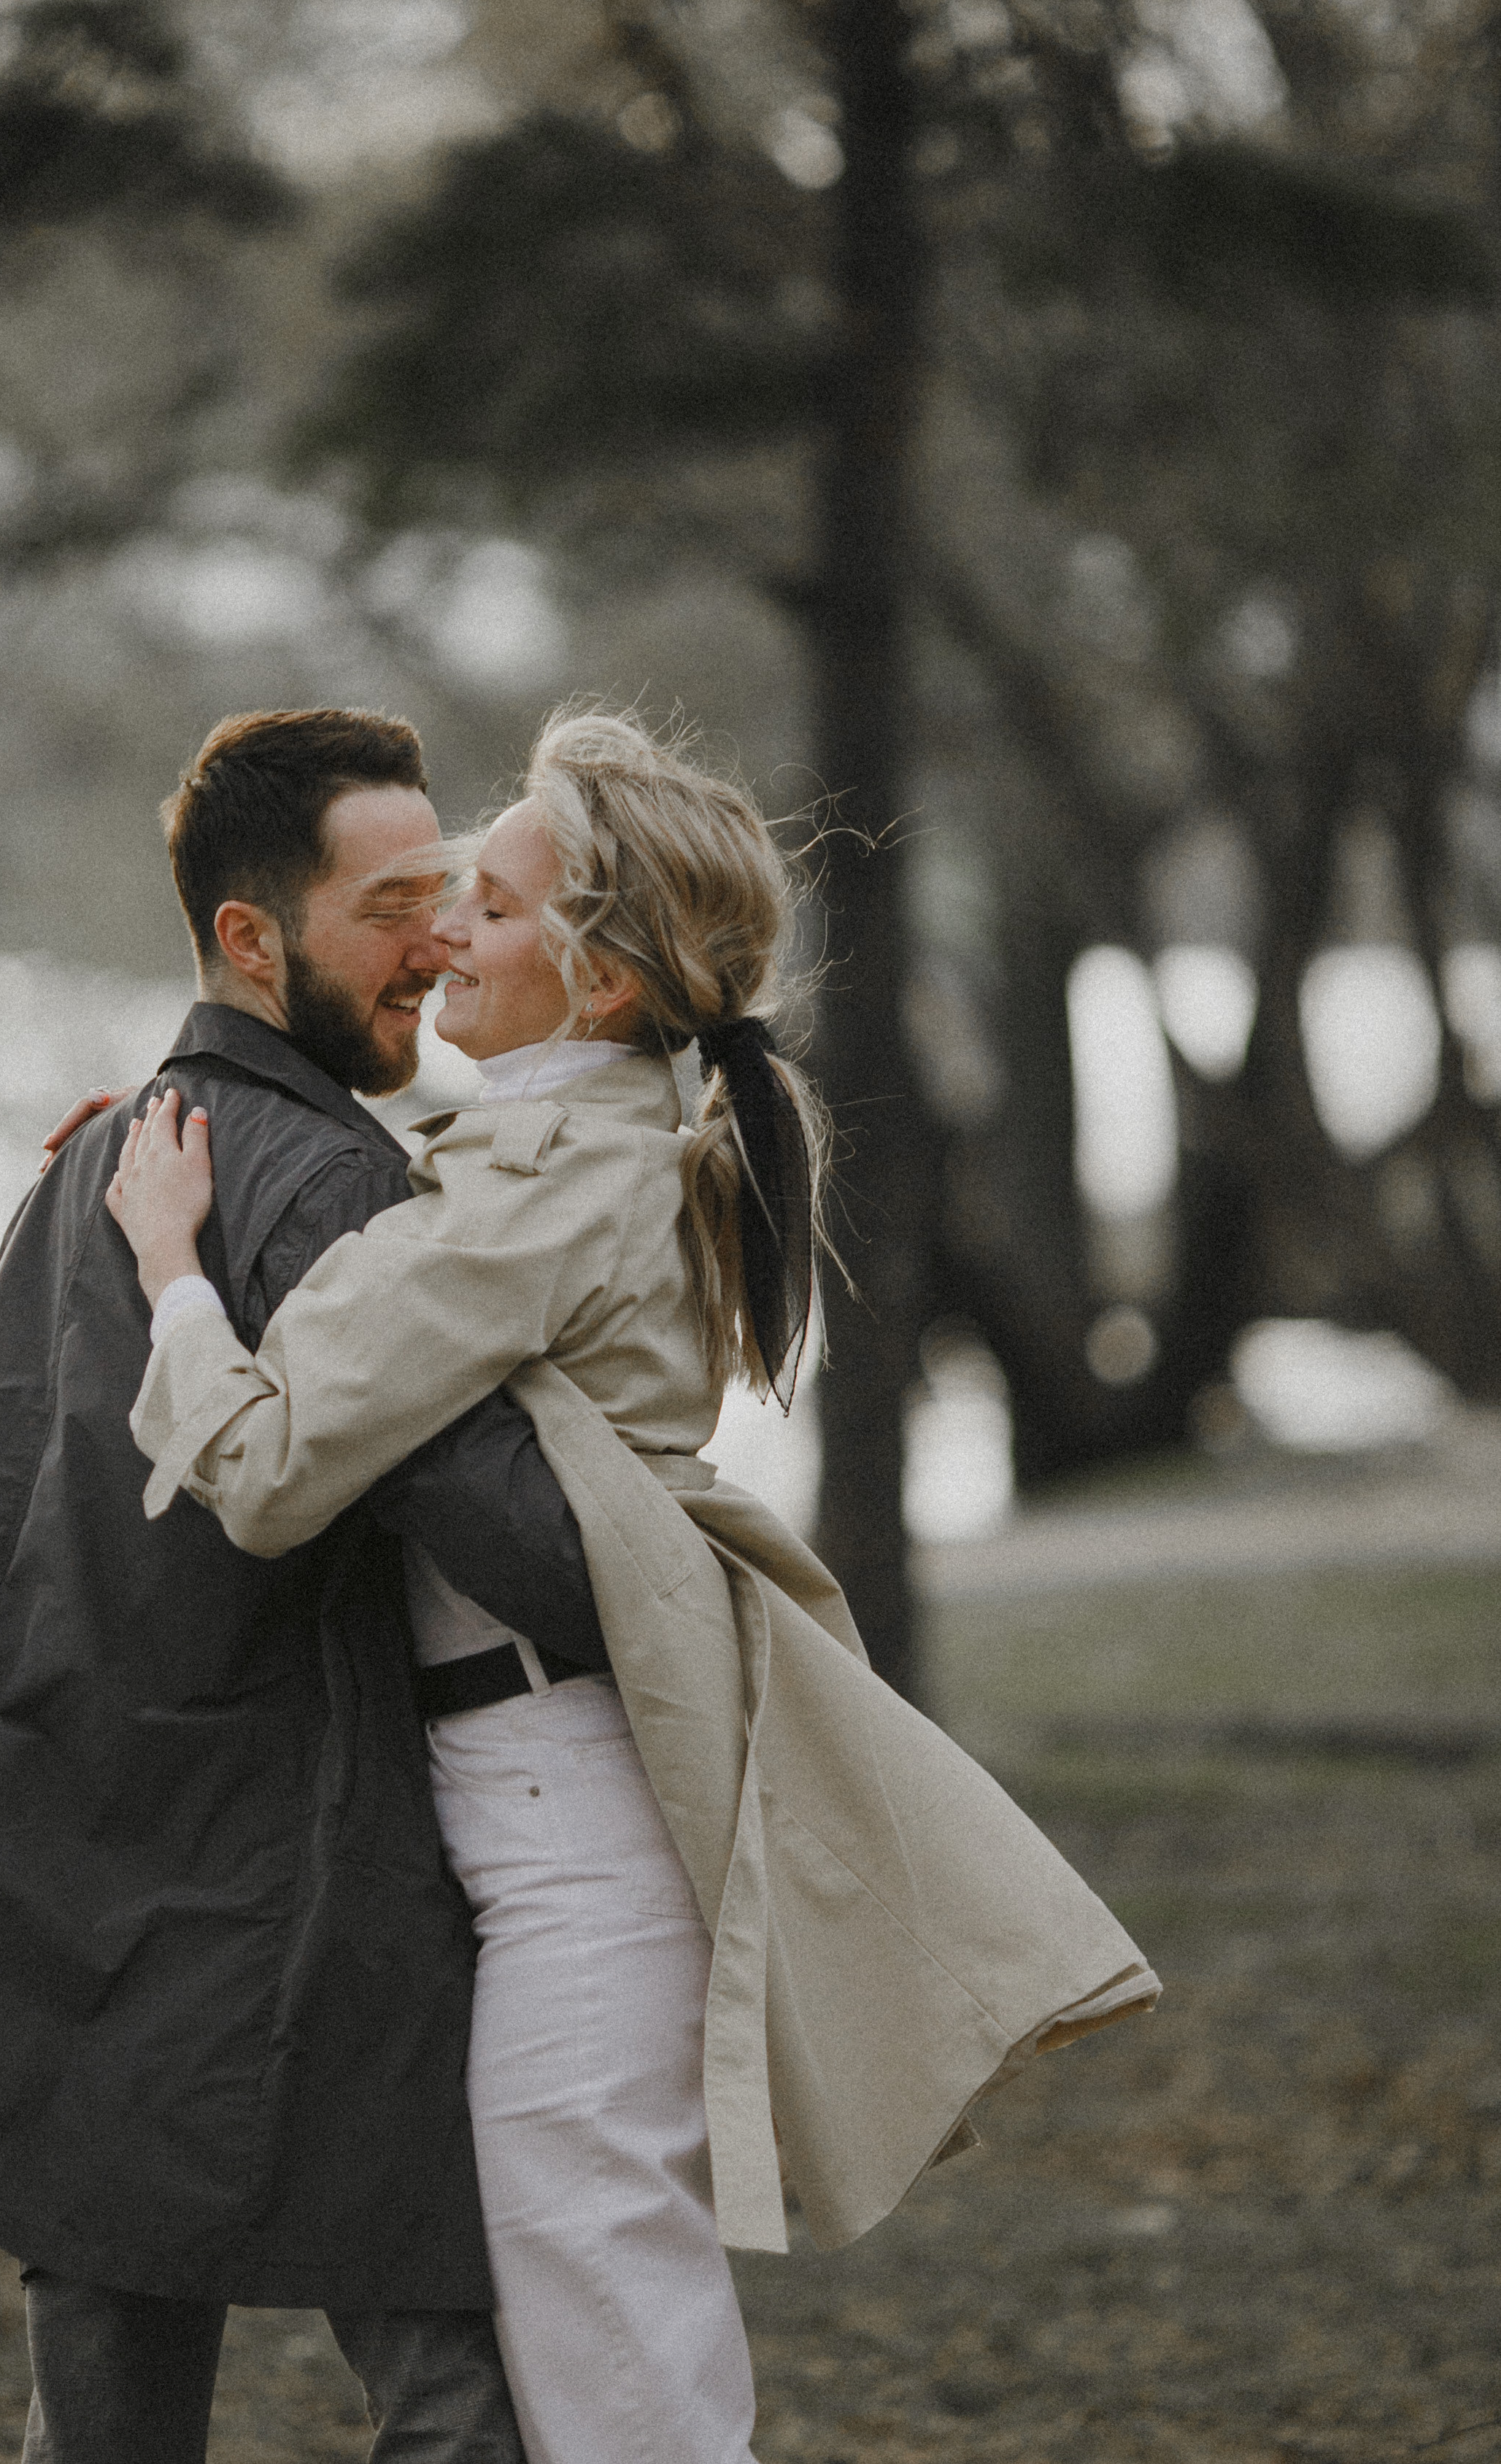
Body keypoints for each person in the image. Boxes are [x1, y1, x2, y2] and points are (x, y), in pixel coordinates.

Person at [112, 708, 1162, 2464]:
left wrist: (168, 1267)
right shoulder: (587, 1127)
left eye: (494, 907)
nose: (445, 929)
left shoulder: (547, 1176)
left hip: (563, 1820)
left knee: (615, 2355)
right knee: (606, 2320)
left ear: (598, 981)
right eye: (443, 895)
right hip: (551, 1790)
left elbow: (278, 1470)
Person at [0, 707, 620, 2464]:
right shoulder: (328, 1178)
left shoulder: (108, 1149)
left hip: (72, 1872)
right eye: (393, 901)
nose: (441, 939)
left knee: (103, 2419)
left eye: (453, 892)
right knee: (458, 2391)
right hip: (298, 1898)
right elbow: (527, 1543)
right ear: (251, 937)